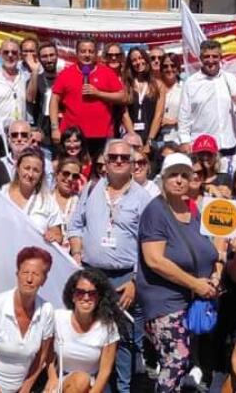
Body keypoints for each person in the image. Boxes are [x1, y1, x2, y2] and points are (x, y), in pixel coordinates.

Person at [67, 140, 152, 392]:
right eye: (112, 157)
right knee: (92, 333)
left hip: (124, 278)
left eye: (124, 158)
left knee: (124, 338)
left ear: (133, 163)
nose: (117, 161)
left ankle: (123, 389)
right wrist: (76, 250)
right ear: (104, 160)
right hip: (92, 274)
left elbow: (148, 243)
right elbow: (75, 224)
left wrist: (136, 281)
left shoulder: (143, 198)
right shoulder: (92, 188)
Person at [137, 152, 222, 391]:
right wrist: (195, 284)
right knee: (175, 361)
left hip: (191, 300)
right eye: (173, 175)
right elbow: (154, 260)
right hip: (165, 299)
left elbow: (207, 250)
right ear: (163, 179)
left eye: (184, 175)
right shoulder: (155, 211)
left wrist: (214, 274)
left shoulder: (192, 210)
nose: (179, 180)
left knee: (180, 362)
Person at [0, 247, 56, 393]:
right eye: (25, 273)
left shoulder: (47, 310)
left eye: (36, 274)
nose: (29, 279)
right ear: (17, 274)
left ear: (44, 280)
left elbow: (42, 354)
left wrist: (27, 386)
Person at [47, 269, 122, 393]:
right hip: (61, 380)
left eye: (92, 293)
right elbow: (47, 354)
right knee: (79, 380)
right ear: (72, 296)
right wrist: (52, 377)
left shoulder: (108, 327)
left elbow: (105, 372)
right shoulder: (58, 318)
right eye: (80, 292)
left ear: (99, 298)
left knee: (82, 380)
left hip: (92, 385)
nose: (86, 298)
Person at [50, 38, 125, 160]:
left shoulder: (107, 73)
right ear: (77, 53)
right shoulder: (66, 74)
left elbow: (122, 97)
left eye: (90, 51)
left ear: (96, 54)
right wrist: (54, 128)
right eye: (83, 51)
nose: (87, 55)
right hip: (73, 137)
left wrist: (98, 93)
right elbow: (54, 100)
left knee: (99, 174)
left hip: (101, 134)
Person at [178, 39, 236, 155]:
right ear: (200, 58)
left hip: (227, 144)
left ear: (220, 57)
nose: (211, 60)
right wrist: (184, 141)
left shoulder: (230, 79)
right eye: (206, 56)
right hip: (201, 145)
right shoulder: (191, 83)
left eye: (215, 56)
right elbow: (184, 116)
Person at [2, 147, 62, 242]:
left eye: (36, 170)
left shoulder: (48, 201)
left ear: (41, 174)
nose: (30, 174)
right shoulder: (2, 193)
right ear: (18, 168)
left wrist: (53, 236)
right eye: (27, 168)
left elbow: (58, 234)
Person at [121, 46, 165, 147]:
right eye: (134, 60)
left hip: (153, 137)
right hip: (131, 137)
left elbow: (158, 115)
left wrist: (149, 141)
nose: (138, 62)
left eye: (141, 58)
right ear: (130, 64)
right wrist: (133, 137)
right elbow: (124, 113)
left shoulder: (158, 85)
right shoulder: (126, 84)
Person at [26, 41, 61, 150]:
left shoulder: (65, 78)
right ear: (39, 59)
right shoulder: (36, 78)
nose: (49, 60)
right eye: (45, 56)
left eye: (52, 55)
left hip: (63, 135)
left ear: (57, 56)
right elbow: (30, 98)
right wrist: (35, 71)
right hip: (43, 137)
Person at [0, 39, 28, 126]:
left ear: (19, 56)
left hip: (19, 134)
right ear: (0, 54)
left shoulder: (25, 78)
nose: (10, 55)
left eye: (14, 52)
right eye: (6, 52)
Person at [156, 52, 182, 147]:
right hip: (157, 139)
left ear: (178, 68)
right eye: (165, 66)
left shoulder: (185, 88)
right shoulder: (154, 88)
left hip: (177, 138)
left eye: (173, 66)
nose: (169, 69)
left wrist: (173, 121)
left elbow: (193, 115)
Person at [53, 156, 84, 230]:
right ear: (57, 174)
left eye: (75, 176)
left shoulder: (80, 202)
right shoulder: (45, 198)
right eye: (66, 173)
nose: (70, 178)